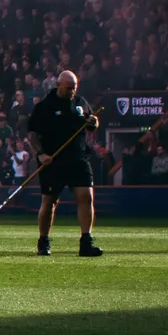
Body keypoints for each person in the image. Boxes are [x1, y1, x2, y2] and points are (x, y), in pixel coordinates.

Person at [28, 69, 104, 257]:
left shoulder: (80, 102)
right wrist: (40, 154)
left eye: (74, 88)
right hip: (53, 160)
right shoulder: (44, 106)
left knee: (86, 197)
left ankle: (86, 241)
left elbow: (91, 122)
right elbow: (32, 135)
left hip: (78, 158)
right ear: (58, 86)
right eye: (68, 88)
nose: (72, 91)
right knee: (50, 202)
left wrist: (94, 122)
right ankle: (43, 241)